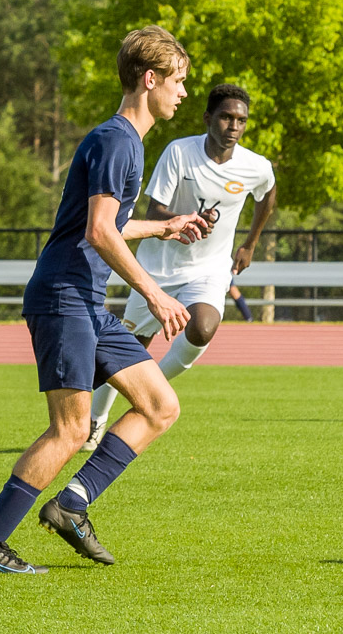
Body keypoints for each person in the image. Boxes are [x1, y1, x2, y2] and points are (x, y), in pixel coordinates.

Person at [0, 25, 210, 574]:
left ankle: (73, 504)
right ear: (151, 79)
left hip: (87, 302)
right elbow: (99, 232)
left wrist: (164, 228)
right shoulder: (119, 140)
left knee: (161, 405)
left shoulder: (123, 141)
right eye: (179, 81)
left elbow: (109, 223)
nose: (184, 93)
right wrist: (155, 292)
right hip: (66, 297)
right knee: (71, 429)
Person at [82, 83, 276, 452]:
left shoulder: (255, 166)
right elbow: (155, 213)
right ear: (208, 119)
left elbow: (267, 194)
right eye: (226, 117)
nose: (233, 126)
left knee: (203, 326)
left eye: (241, 120)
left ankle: (151, 389)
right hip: (158, 268)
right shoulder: (179, 152)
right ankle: (96, 420)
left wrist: (250, 244)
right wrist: (185, 220)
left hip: (209, 270)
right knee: (128, 350)